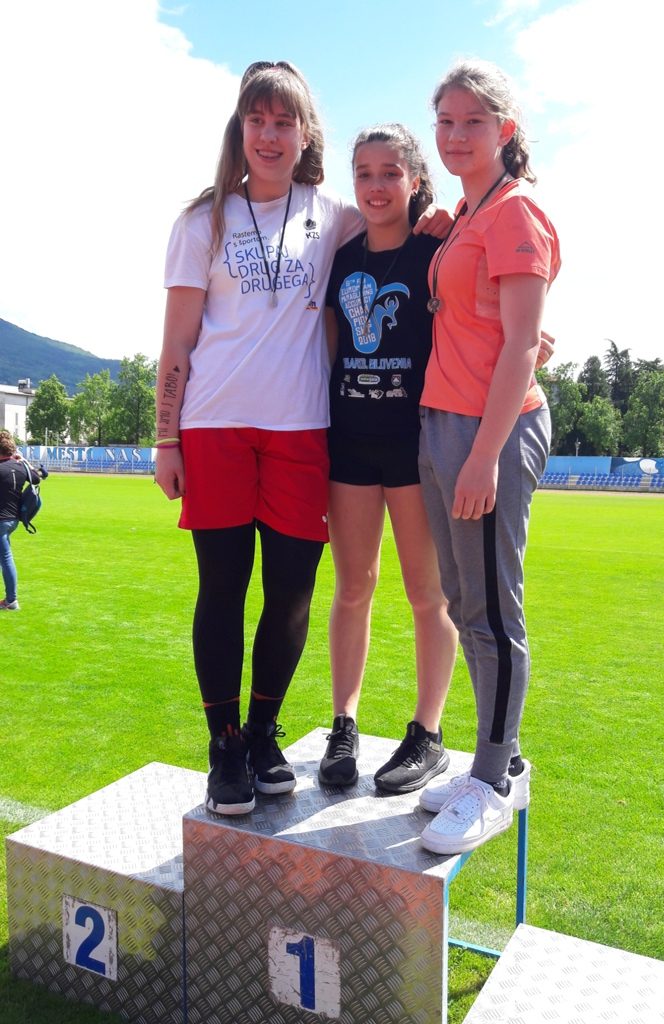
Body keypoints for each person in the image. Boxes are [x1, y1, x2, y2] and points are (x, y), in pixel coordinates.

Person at [154, 63, 447, 816]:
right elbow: (177, 342)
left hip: (302, 430)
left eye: (284, 122)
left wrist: (442, 220)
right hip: (214, 427)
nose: (270, 135)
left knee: (290, 594)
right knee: (222, 589)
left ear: (305, 133)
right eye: (258, 120)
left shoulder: (334, 213)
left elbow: (396, 219)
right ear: (241, 128)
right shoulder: (202, 221)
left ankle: (262, 734)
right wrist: (166, 439)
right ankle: (224, 745)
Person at [416, 60, 561, 855]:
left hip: (489, 432)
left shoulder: (515, 213)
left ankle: (496, 779)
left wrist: (485, 457)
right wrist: (445, 225)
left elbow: (521, 348)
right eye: (445, 121)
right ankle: (489, 762)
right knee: (464, 603)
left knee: (494, 611)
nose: (456, 135)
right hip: (443, 423)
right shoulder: (472, 213)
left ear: (505, 129)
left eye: (473, 121)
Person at [319, 125, 458, 793]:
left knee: (427, 594)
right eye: (364, 173)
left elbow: (486, 310)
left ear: (414, 180)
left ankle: (427, 731)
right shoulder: (340, 257)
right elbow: (327, 350)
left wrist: (537, 337)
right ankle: (343, 725)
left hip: (416, 445)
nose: (376, 186)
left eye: (389, 173)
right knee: (353, 588)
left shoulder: (437, 248)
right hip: (349, 443)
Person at [0, 430, 47, 612]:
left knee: (6, 558)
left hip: (1, 520)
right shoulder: (20, 467)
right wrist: (24, 461)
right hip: (13, 520)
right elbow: (36, 478)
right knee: (4, 557)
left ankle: (11, 600)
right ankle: (10, 600)